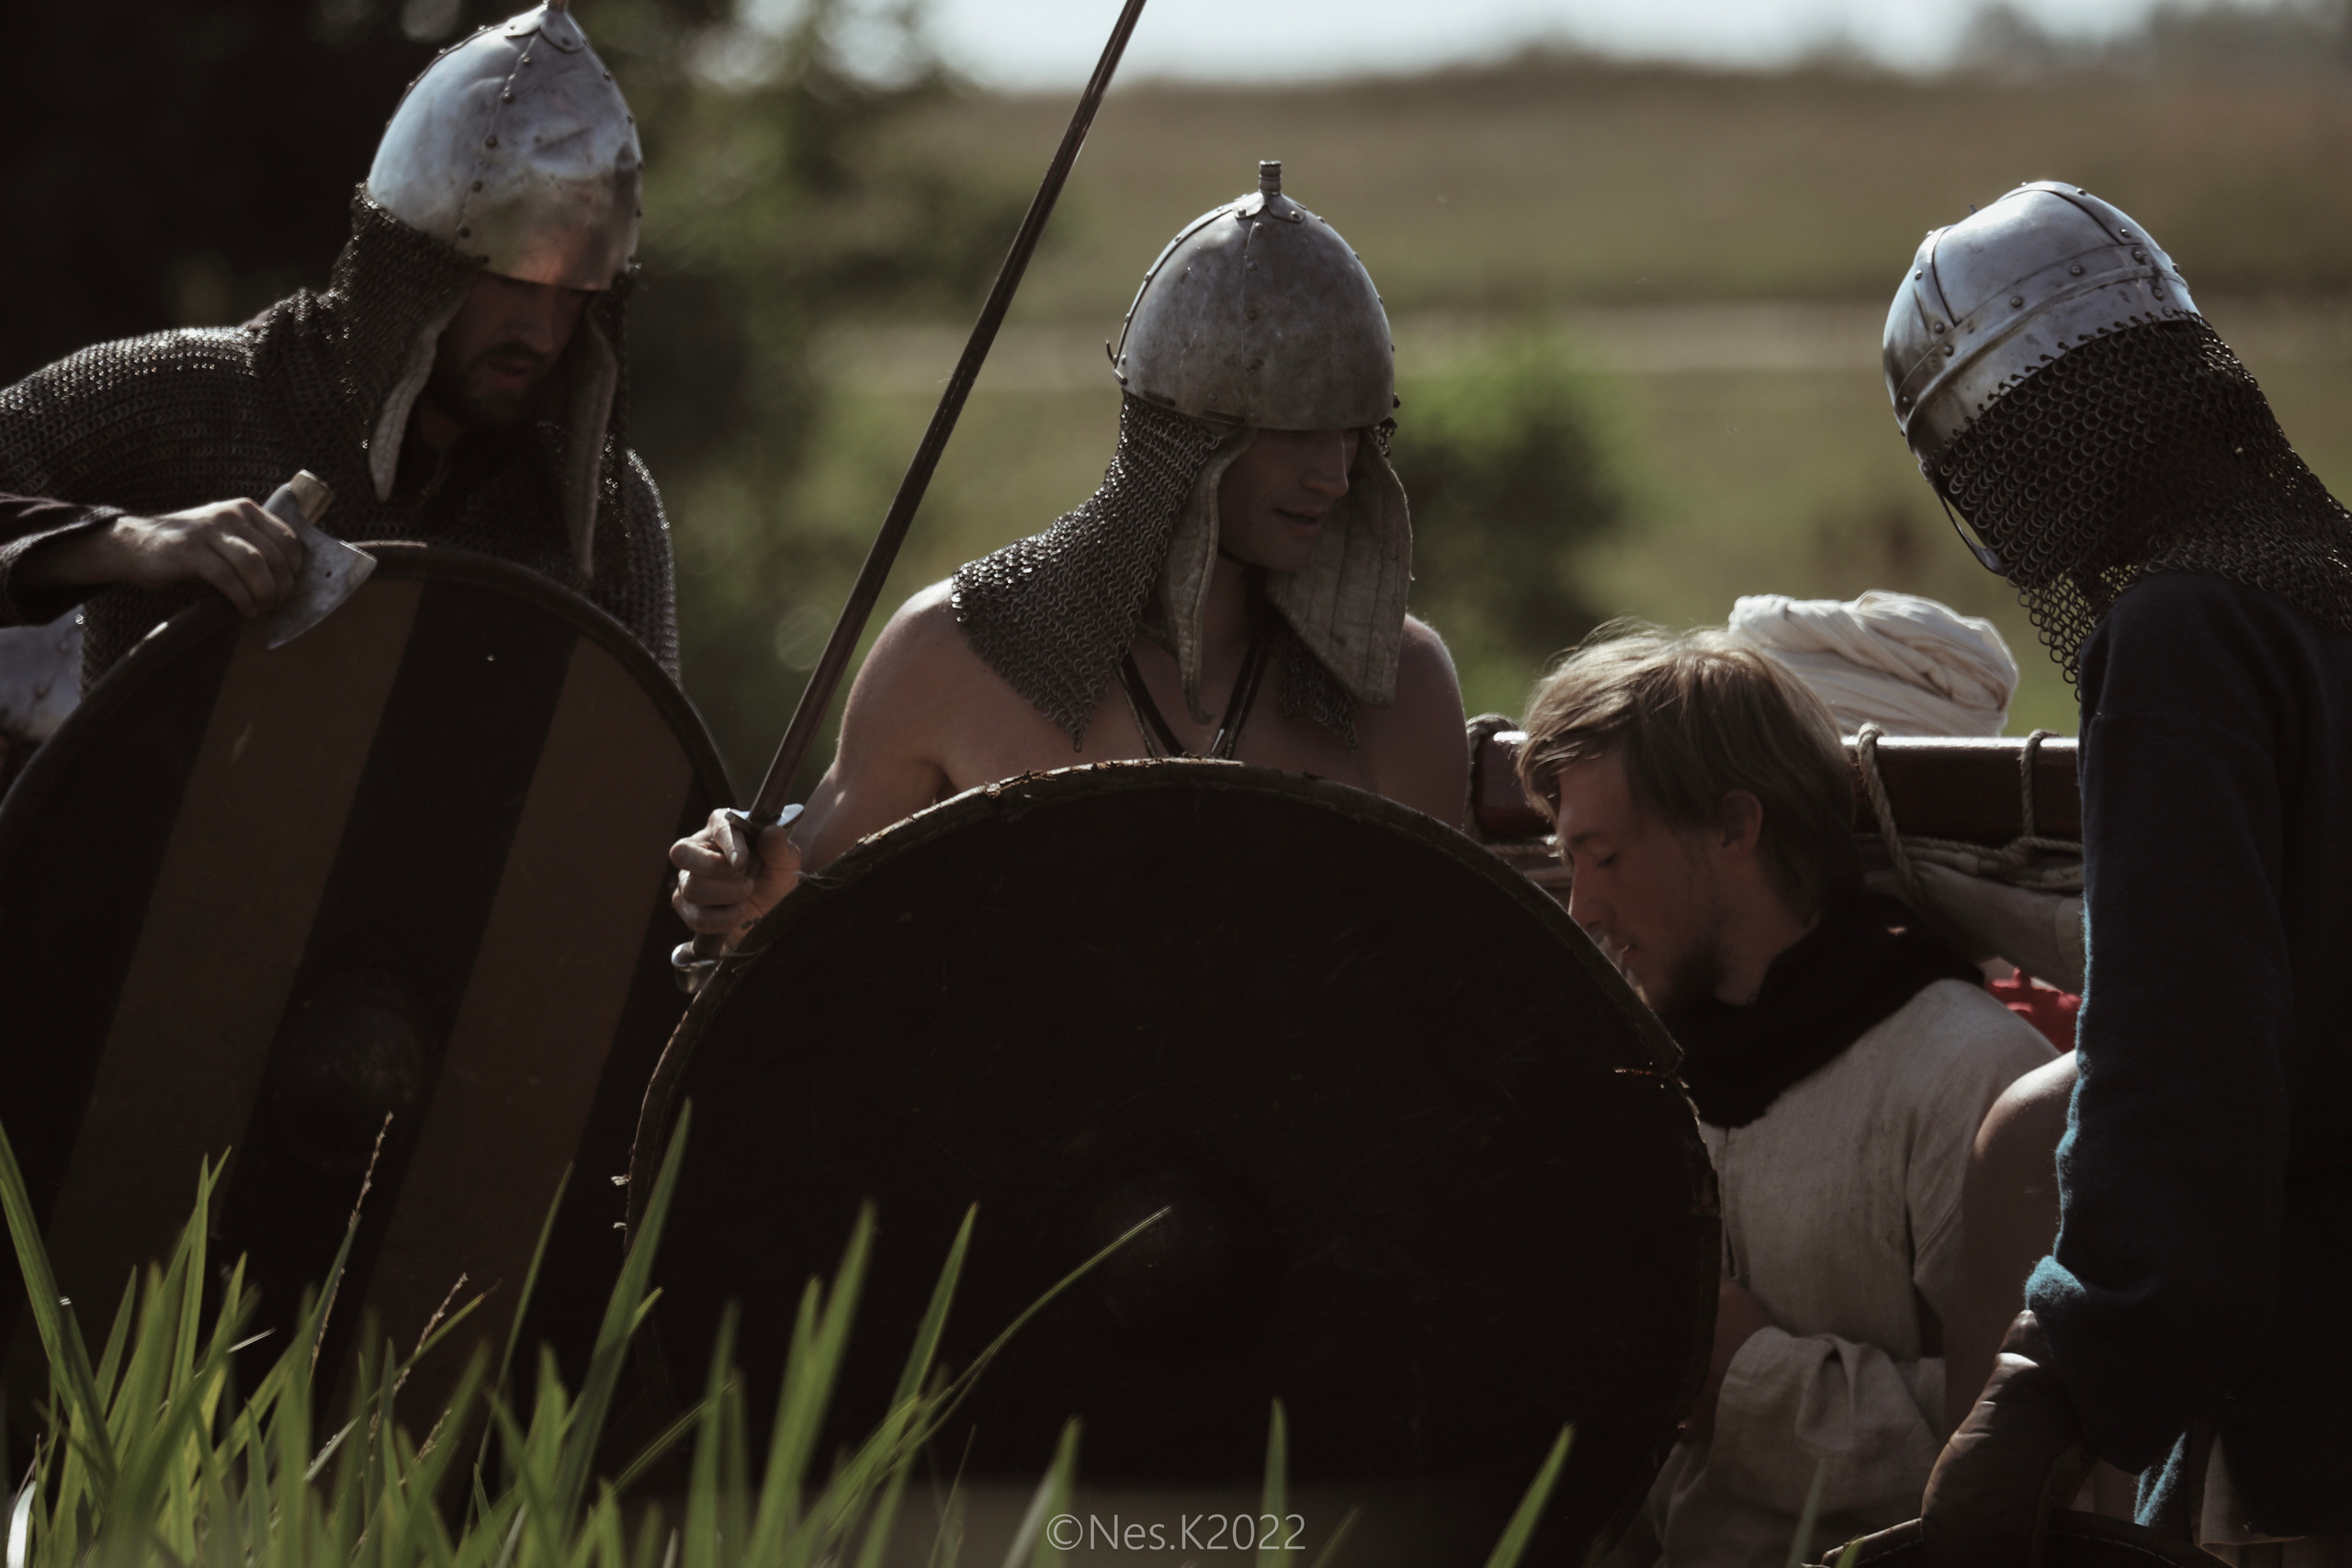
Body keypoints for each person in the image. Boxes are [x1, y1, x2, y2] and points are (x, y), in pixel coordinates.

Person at [1884, 182, 2352, 1560]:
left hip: (2318, 1396)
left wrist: (2060, 1371)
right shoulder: (2329, 596)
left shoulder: (2186, 634)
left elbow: (2185, 1052)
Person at [673, 162, 1468, 939]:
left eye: (1354, 434)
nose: (1334, 475)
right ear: (1188, 440)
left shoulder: (1401, 691)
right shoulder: (951, 656)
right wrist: (751, 902)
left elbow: (1441, 1000)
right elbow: (803, 958)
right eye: (1295, 432)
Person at [1513, 623, 2052, 1568]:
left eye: (1605, 856)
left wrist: (1744, 1376)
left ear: (1733, 825)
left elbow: (2026, 1454)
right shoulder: (1632, 1081)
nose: (1583, 909)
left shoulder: (1965, 1076)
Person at [0, 2, 676, 683]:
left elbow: (636, 773)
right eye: (510, 284)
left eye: (572, 298)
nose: (540, 331)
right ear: (416, 269)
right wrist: (127, 542)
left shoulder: (598, 510)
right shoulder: (197, 398)